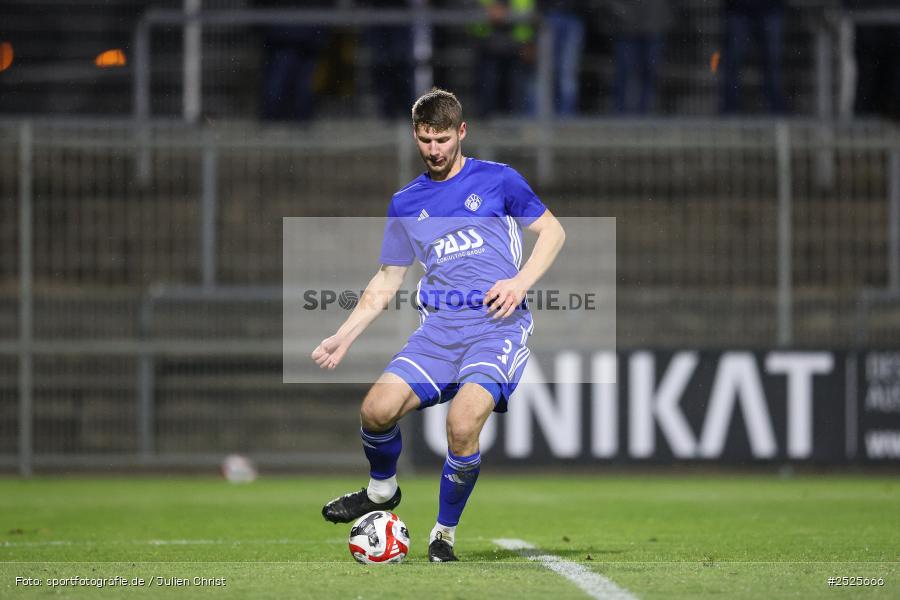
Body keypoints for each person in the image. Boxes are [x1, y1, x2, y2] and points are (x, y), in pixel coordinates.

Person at [315, 88, 565, 561]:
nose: (434, 149)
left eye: (443, 139)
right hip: (438, 333)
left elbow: (553, 231)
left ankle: (442, 535)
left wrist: (519, 281)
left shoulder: (499, 180)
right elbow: (389, 276)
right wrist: (343, 335)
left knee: (462, 422)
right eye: (426, 139)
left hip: (496, 326)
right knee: (375, 410)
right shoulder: (406, 202)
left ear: (461, 132)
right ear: (416, 135)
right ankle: (382, 490)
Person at [719, 0, 786, 114]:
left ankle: (776, 111)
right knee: (732, 62)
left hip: (770, 8)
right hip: (738, 10)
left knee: (772, 62)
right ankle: (729, 110)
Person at [608, 0, 672, 115]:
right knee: (624, 74)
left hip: (654, 25)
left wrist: (665, 17)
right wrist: (617, 10)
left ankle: (644, 115)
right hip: (625, 27)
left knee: (650, 74)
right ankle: (620, 117)